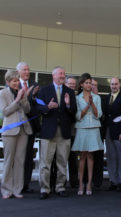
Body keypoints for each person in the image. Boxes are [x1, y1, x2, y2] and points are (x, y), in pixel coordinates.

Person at [37, 66, 77, 200]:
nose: (62, 76)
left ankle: (60, 187)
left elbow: (74, 112)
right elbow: (38, 108)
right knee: (45, 162)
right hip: (48, 132)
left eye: (64, 74)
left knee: (62, 162)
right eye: (60, 73)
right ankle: (44, 188)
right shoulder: (44, 90)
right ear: (53, 75)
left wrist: (68, 105)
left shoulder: (69, 92)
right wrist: (47, 107)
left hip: (64, 132)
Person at [0, 70, 33, 199]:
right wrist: (17, 99)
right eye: (13, 81)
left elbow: (28, 110)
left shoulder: (21, 92)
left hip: (23, 130)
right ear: (8, 82)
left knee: (20, 161)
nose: (16, 83)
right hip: (9, 130)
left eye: (17, 80)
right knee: (9, 161)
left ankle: (17, 189)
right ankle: (6, 189)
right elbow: (5, 112)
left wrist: (24, 98)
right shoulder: (2, 93)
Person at [72, 73, 104, 196]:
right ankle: (81, 183)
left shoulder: (97, 98)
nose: (89, 85)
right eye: (86, 83)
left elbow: (98, 115)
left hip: (94, 128)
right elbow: (78, 116)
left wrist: (92, 103)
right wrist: (87, 105)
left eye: (90, 83)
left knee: (91, 156)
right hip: (82, 128)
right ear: (81, 84)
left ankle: (89, 183)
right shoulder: (77, 98)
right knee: (82, 156)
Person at [16, 62, 40, 193]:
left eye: (28, 70)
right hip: (17, 126)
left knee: (28, 157)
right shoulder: (14, 84)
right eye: (24, 70)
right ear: (18, 71)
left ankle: (25, 184)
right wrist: (27, 95)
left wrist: (33, 96)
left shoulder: (35, 85)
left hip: (31, 126)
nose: (27, 72)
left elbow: (37, 105)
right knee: (17, 156)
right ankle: (16, 184)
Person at [103, 77, 121, 192]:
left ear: (120, 85)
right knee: (111, 156)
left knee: (120, 156)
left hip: (119, 131)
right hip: (108, 130)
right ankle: (113, 181)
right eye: (112, 84)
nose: (114, 86)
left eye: (116, 84)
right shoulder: (107, 97)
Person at [65, 76, 79, 188]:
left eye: (74, 84)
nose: (72, 86)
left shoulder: (77, 97)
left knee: (73, 158)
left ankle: (74, 181)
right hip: (62, 131)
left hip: (74, 132)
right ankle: (61, 181)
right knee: (61, 158)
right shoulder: (61, 95)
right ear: (65, 83)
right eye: (70, 83)